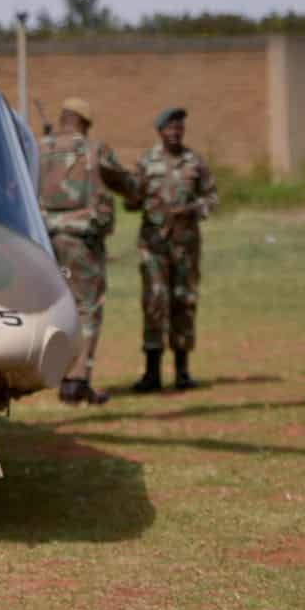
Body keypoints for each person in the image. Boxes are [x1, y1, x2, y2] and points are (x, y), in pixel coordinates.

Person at [37, 98, 134, 405]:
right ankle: (76, 381)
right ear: (84, 122)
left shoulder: (38, 148)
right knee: (86, 308)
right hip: (82, 241)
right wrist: (137, 195)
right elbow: (124, 182)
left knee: (56, 308)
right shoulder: (94, 150)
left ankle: (56, 373)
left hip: (44, 242)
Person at [128, 107, 219, 394]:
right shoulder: (146, 162)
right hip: (153, 246)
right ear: (160, 131)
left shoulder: (195, 162)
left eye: (179, 128)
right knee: (155, 303)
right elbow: (131, 200)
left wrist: (194, 209)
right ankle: (152, 373)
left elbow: (211, 197)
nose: (175, 132)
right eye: (170, 128)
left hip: (185, 246)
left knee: (184, 303)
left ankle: (182, 372)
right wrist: (133, 196)